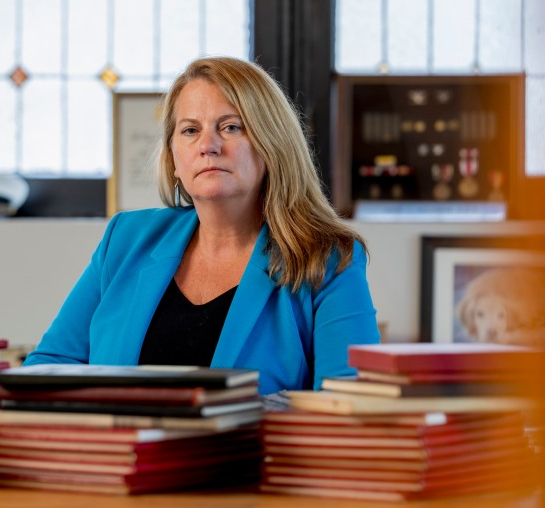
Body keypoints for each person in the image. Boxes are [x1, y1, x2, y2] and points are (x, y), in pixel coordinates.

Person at [23, 56, 380, 395]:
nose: (208, 145)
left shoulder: (329, 259)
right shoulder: (126, 240)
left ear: (273, 145)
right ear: (174, 159)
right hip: (121, 456)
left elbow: (348, 409)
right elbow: (48, 368)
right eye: (190, 130)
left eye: (231, 127)